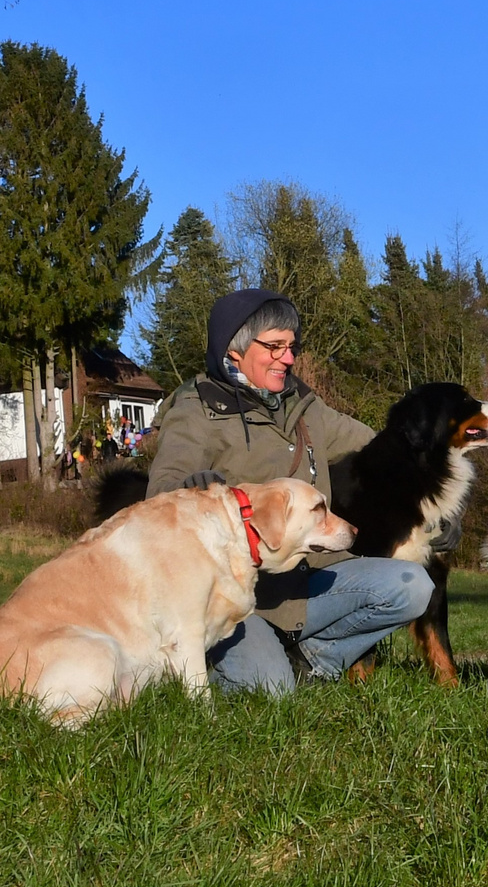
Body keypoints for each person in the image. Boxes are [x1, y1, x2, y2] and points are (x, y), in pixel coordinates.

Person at [145, 289, 431, 694]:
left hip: (313, 576)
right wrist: (190, 490)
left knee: (412, 585)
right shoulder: (196, 410)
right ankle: (202, 662)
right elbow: (159, 493)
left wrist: (433, 501)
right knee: (272, 691)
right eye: (275, 346)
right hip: (237, 597)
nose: (290, 358)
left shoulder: (305, 404)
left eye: (292, 346)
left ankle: (315, 659)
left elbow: (382, 452)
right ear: (235, 350)